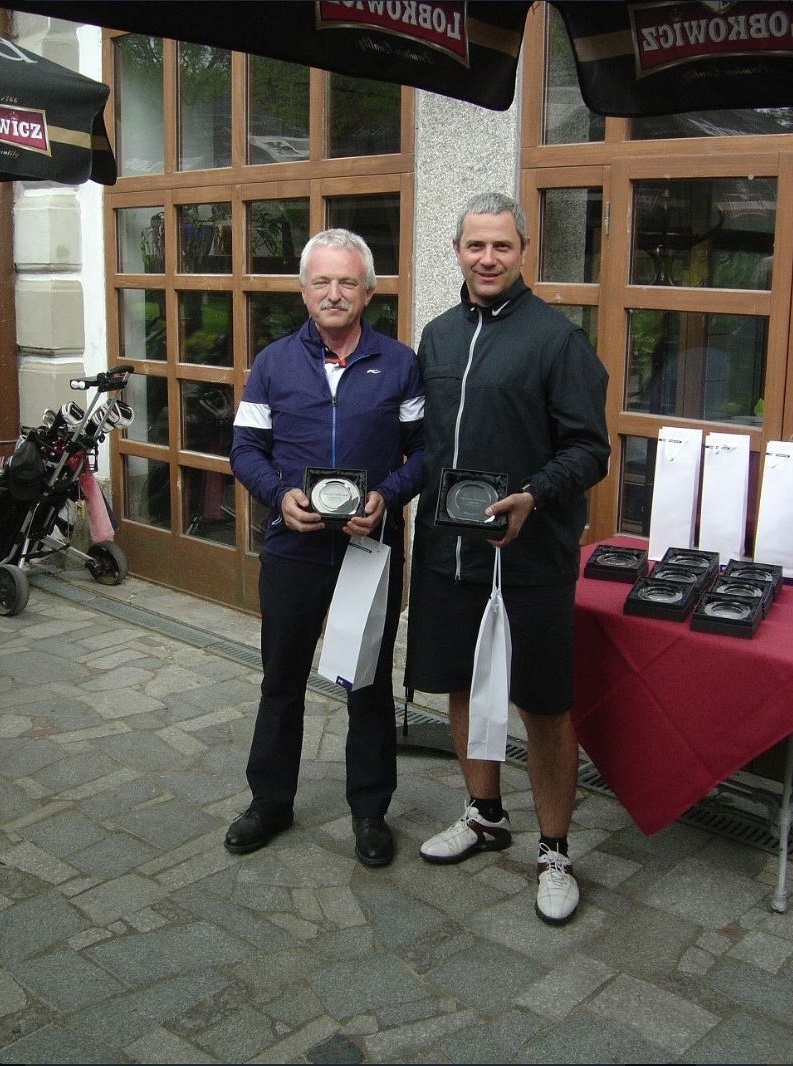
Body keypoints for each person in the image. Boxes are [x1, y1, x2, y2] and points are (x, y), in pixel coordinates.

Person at [405, 191, 609, 924]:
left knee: (542, 705)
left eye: (501, 245)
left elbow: (589, 449)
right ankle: (484, 813)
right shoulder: (436, 336)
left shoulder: (558, 341)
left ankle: (554, 850)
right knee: (462, 685)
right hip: (450, 551)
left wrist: (534, 494)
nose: (487, 258)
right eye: (475, 245)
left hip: (530, 558)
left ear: (524, 251)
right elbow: (420, 441)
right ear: (456, 251)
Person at [226, 228, 424, 867]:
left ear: (368, 292)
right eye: (322, 282)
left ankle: (369, 811)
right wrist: (277, 494)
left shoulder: (399, 363)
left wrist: (388, 495)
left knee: (366, 681)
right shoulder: (273, 363)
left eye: (347, 282)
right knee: (281, 678)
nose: (334, 293)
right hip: (295, 544)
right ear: (304, 291)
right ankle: (270, 803)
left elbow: (425, 452)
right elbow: (244, 449)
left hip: (369, 545)